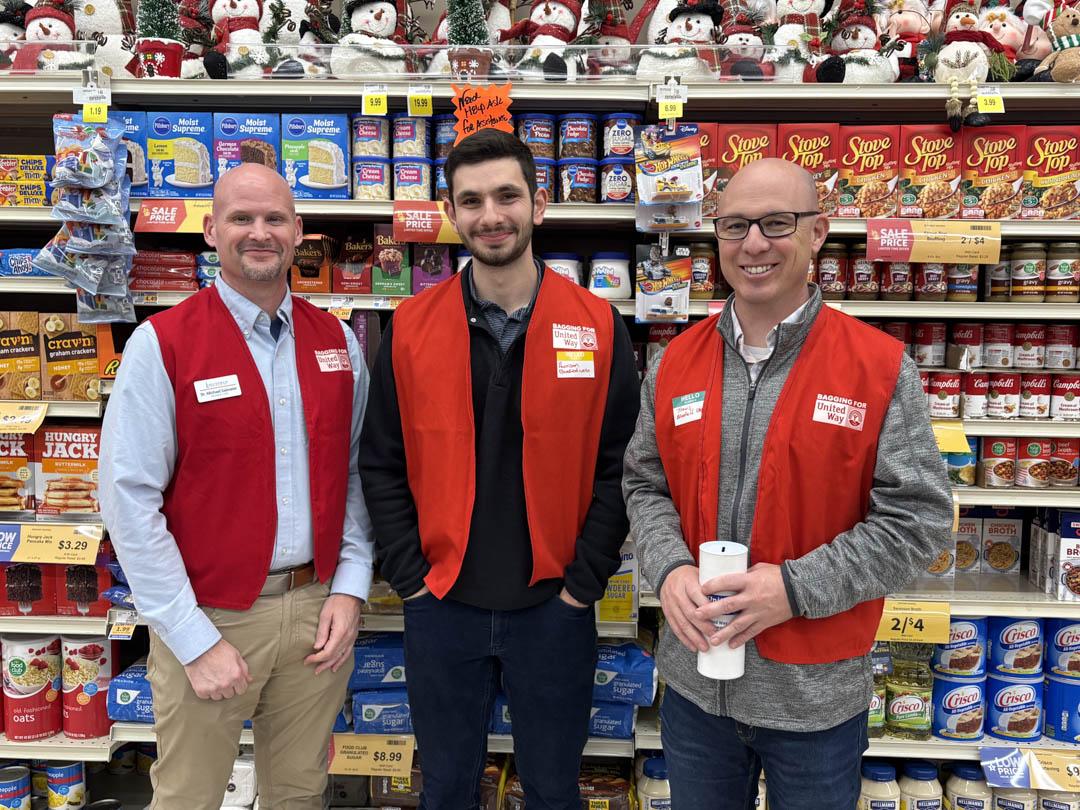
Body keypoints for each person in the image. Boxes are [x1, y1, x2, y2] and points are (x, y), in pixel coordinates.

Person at [622, 158, 952, 810]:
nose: (752, 244)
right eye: (734, 225)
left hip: (817, 703)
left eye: (776, 223)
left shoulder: (878, 367)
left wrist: (792, 589)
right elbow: (644, 482)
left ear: (818, 231)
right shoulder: (673, 363)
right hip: (695, 691)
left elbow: (919, 522)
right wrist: (667, 570)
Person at [359, 128, 640, 810]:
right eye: (473, 200)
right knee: (448, 788)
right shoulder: (410, 326)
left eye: (507, 195)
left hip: (554, 608)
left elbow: (623, 467)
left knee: (551, 789)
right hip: (442, 605)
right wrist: (413, 582)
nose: (492, 215)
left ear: (539, 205)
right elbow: (381, 463)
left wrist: (582, 584)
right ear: (451, 214)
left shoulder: (600, 326)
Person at [100, 163, 374, 809]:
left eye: (274, 218)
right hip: (210, 612)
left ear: (299, 231)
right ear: (210, 231)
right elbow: (128, 499)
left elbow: (356, 473)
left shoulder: (334, 340)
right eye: (241, 218)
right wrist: (192, 640)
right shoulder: (161, 343)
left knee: (300, 792)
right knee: (189, 796)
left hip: (316, 612)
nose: (259, 233)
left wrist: (351, 588)